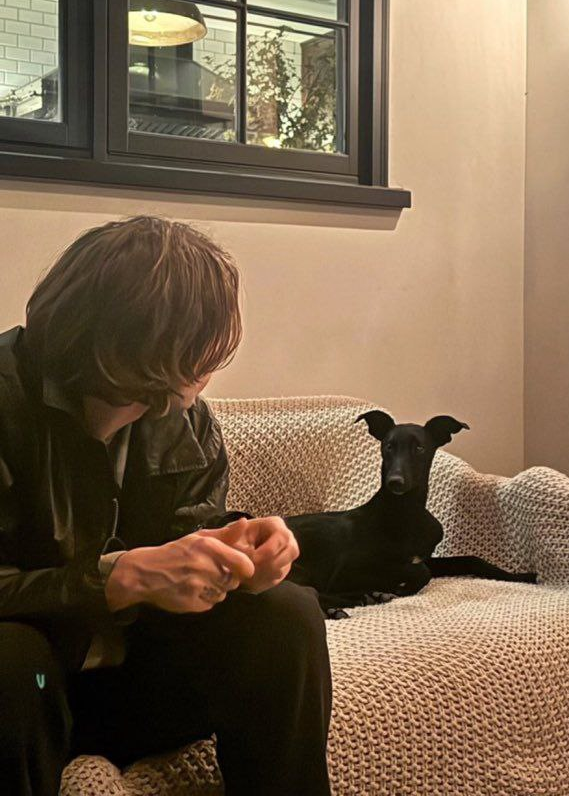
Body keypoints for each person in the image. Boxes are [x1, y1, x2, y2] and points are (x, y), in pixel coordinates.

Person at [0, 216, 333, 796]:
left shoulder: (181, 416)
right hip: (35, 685)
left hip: (138, 682)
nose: (201, 374)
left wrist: (237, 552)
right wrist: (111, 579)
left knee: (285, 615)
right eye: (193, 347)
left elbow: (190, 530)